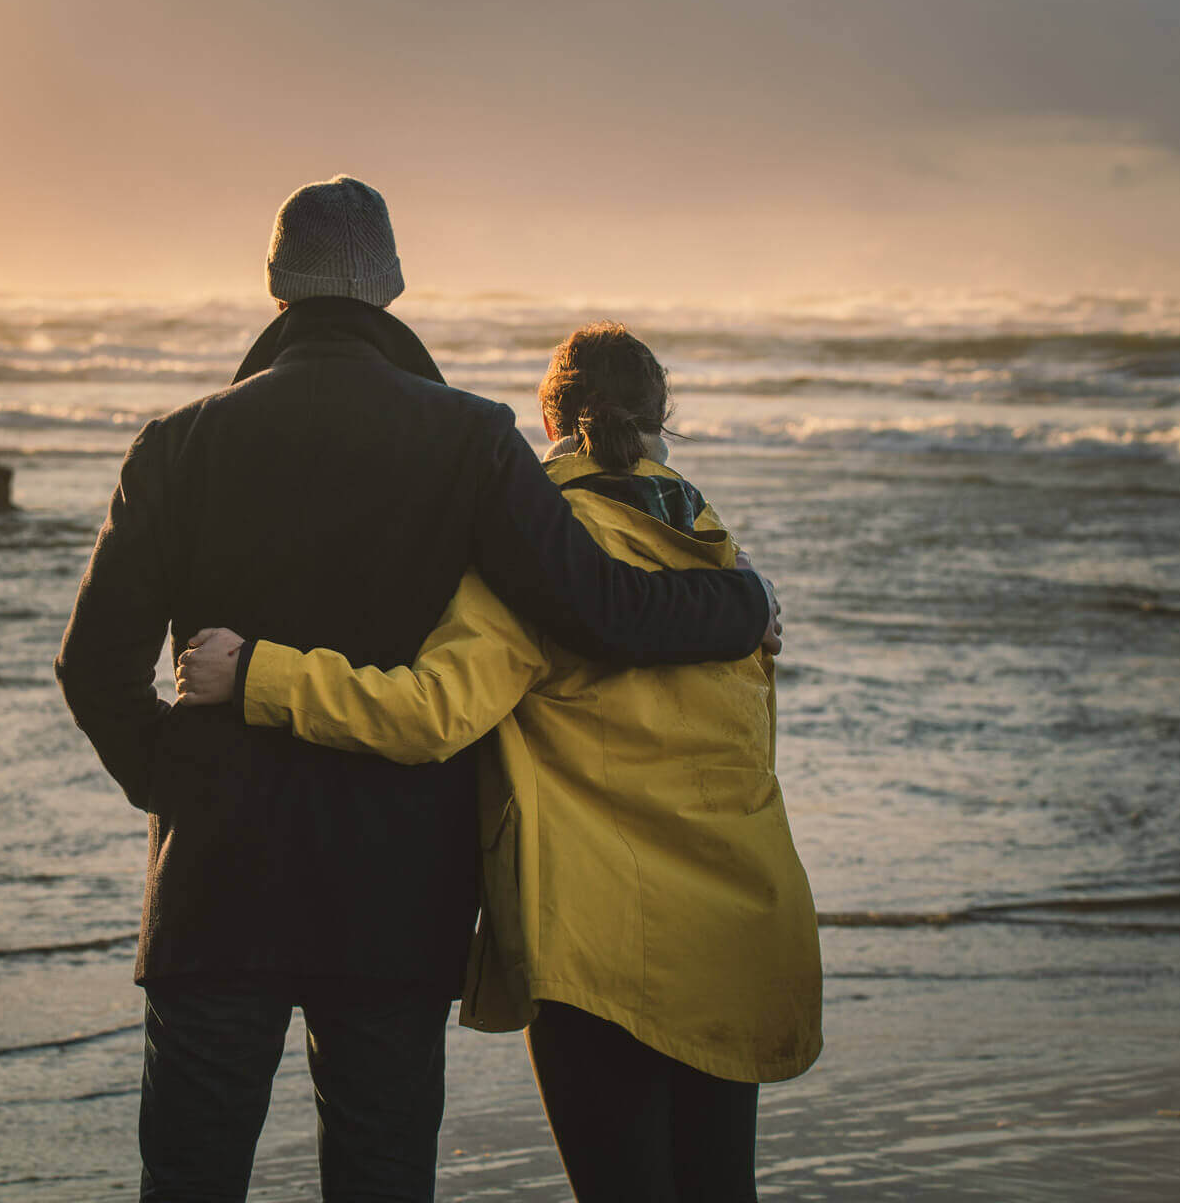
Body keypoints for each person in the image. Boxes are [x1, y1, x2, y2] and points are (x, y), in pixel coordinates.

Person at [54, 177, 779, 1202]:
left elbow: (92, 667)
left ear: (275, 285)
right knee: (380, 1177)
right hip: (395, 892)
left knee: (188, 1178)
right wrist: (743, 608)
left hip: (213, 885)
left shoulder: (178, 443)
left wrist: (181, 782)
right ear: (393, 286)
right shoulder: (471, 440)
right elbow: (602, 611)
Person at [175, 322, 821, 1202]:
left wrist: (260, 673)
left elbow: (429, 713)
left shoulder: (536, 554)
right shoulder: (724, 558)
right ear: (662, 414)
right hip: (739, 924)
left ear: (551, 414)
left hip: (602, 944)